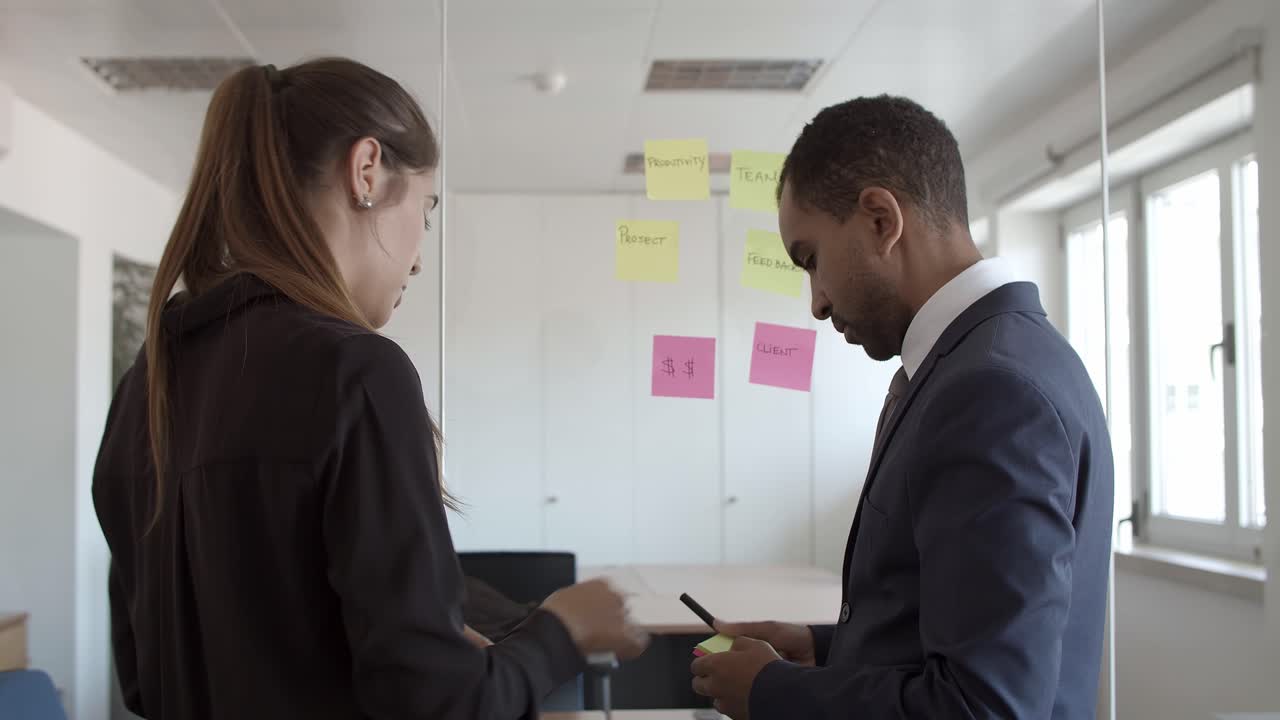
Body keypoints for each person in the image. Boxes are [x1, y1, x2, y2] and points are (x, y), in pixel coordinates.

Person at [93, 58, 647, 720]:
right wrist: (560, 633)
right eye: (427, 208)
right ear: (366, 171)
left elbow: (144, 679)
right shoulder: (356, 373)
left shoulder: (144, 385)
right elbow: (441, 707)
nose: (417, 256)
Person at [691, 95, 1114, 718]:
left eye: (812, 260)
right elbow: (961, 632)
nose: (816, 302)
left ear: (881, 221)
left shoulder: (993, 392)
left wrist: (770, 693)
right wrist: (822, 649)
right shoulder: (986, 361)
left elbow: (982, 706)